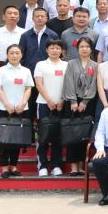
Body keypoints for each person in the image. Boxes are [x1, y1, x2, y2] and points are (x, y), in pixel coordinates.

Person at [0, 44, 33, 178]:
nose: (14, 55)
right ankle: (4, 167)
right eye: (11, 53)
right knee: (3, 139)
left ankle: (14, 166)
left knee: (17, 139)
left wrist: (23, 103)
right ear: (7, 55)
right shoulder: (0, 71)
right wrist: (7, 104)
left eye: (17, 53)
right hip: (3, 108)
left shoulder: (26, 71)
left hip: (21, 109)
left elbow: (28, 88)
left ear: (21, 55)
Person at [62, 37, 99, 175]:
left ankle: (82, 165)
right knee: (72, 134)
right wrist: (73, 101)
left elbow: (94, 84)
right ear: (77, 49)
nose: (84, 49)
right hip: (72, 102)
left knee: (84, 134)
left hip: (87, 103)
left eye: (87, 46)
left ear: (91, 49)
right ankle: (73, 166)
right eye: (82, 46)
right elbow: (68, 82)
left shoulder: (95, 65)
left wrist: (85, 101)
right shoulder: (71, 63)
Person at [34, 39, 68, 177]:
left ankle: (56, 165)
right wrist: (48, 100)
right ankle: (42, 165)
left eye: (57, 48)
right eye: (52, 48)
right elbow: (39, 84)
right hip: (43, 103)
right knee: (43, 135)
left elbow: (68, 85)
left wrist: (62, 100)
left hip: (61, 104)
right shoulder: (41, 64)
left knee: (58, 136)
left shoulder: (66, 65)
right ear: (47, 50)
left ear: (62, 51)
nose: (55, 50)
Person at [0, 5, 26, 87]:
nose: (13, 16)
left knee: (17, 92)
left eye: (15, 14)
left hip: (18, 68)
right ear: (3, 17)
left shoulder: (24, 33)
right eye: (9, 13)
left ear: (18, 18)